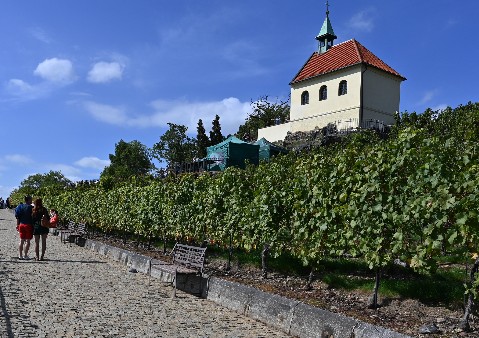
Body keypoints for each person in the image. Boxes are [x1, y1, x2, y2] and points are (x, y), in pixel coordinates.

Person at [15, 196, 34, 260]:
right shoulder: (31, 207)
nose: (31, 201)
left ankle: (20, 255)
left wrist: (17, 224)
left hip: (21, 224)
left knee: (21, 240)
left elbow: (17, 216)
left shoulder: (20, 206)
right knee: (28, 241)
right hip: (28, 224)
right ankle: (25, 255)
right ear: (28, 200)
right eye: (31, 199)